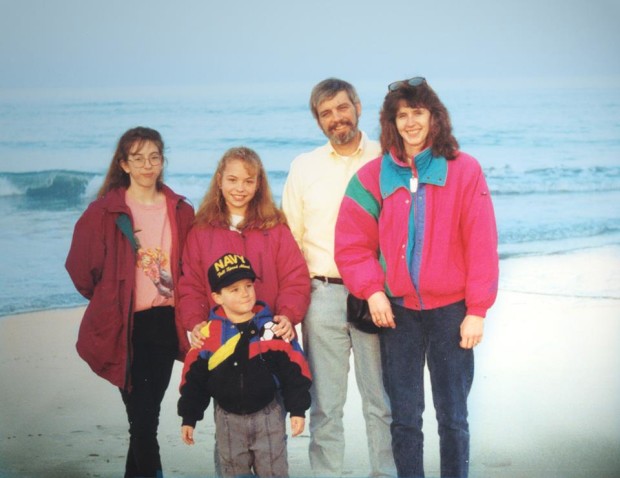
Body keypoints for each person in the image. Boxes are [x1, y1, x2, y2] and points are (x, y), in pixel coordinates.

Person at [334, 77, 500, 478]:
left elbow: (482, 243)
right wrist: (373, 292)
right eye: (402, 115)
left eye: (418, 113)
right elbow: (351, 244)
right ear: (392, 122)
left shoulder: (464, 170)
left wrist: (476, 310)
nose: (411, 123)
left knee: (454, 417)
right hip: (398, 314)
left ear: (434, 116)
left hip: (452, 313)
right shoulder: (373, 176)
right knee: (405, 419)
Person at [65, 127, 194, 478]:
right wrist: (111, 299)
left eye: (154, 157)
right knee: (143, 420)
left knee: (145, 417)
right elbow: (80, 267)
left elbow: (191, 267)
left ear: (162, 160)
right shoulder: (106, 212)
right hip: (127, 325)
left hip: (166, 323)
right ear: (124, 164)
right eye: (137, 158)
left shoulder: (180, 210)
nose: (147, 165)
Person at [282, 78, 396, 477]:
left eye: (342, 108)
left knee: (380, 401)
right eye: (326, 113)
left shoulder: (387, 156)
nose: (336, 118)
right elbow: (290, 240)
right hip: (322, 294)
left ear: (358, 107)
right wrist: (293, 304)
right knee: (326, 405)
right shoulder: (304, 167)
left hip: (376, 295)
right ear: (318, 120)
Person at [178, 253, 312, 478]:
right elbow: (194, 381)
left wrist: (298, 410)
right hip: (227, 421)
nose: (245, 293)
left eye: (248, 285)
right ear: (217, 297)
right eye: (234, 289)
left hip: (268, 417)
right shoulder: (208, 335)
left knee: (273, 473)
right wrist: (189, 417)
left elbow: (295, 371)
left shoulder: (272, 330)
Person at [177, 146, 310, 346]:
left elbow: (295, 279)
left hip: (269, 333)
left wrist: (287, 315)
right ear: (219, 180)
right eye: (232, 180)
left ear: (258, 185)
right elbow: (191, 285)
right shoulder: (201, 231)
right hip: (220, 335)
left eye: (248, 181)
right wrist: (195, 322)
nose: (240, 188)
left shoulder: (275, 228)